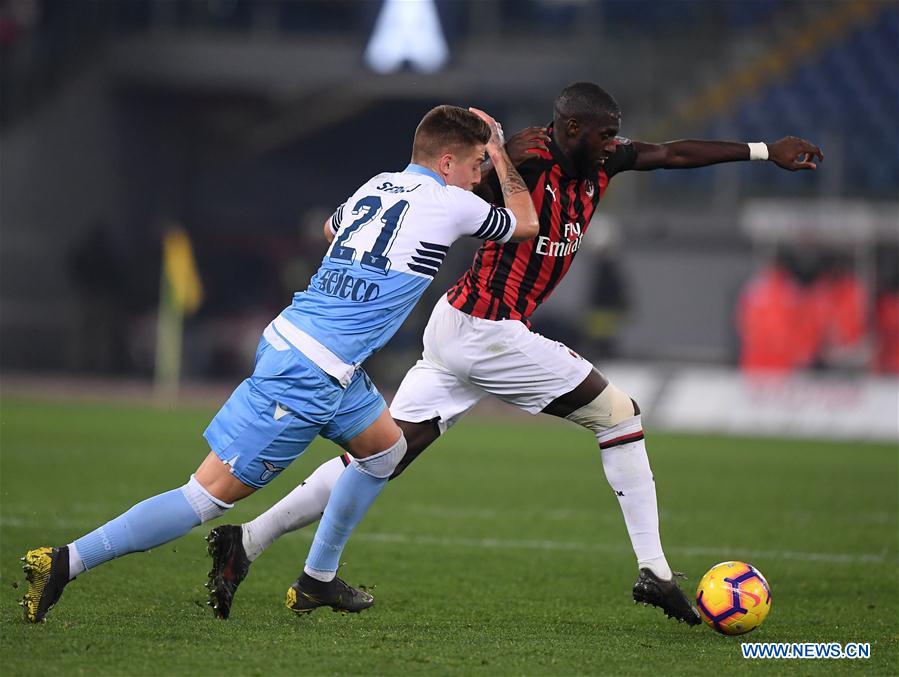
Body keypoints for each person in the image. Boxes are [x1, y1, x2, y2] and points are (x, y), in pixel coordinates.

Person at [207, 82, 823, 624]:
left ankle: (251, 543)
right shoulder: (528, 159)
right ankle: (655, 572)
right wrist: (497, 154)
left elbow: (673, 153)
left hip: (458, 327)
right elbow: (466, 173)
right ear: (571, 128)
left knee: (384, 454)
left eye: (617, 135)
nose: (615, 143)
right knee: (620, 414)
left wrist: (766, 151)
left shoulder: (605, 162)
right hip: (488, 330)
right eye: (604, 134)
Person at [19, 104, 539, 623]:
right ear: (447, 163)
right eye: (477, 165)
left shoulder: (380, 184)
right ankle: (66, 561)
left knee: (385, 451)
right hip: (309, 371)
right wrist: (498, 146)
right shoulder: (451, 201)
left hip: (324, 356)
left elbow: (336, 229)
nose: (481, 176)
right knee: (204, 498)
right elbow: (527, 222)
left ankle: (318, 579)